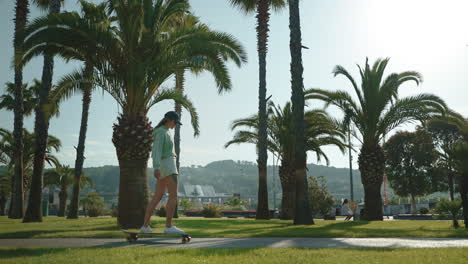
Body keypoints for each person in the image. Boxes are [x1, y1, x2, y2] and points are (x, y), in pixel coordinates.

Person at [140, 111, 185, 234]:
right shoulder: (161, 132)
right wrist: (156, 167)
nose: (175, 125)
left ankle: (145, 226)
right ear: (169, 120)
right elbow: (156, 151)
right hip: (168, 165)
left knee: (158, 196)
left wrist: (158, 167)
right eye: (175, 122)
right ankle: (169, 227)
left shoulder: (164, 131)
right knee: (173, 195)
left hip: (165, 165)